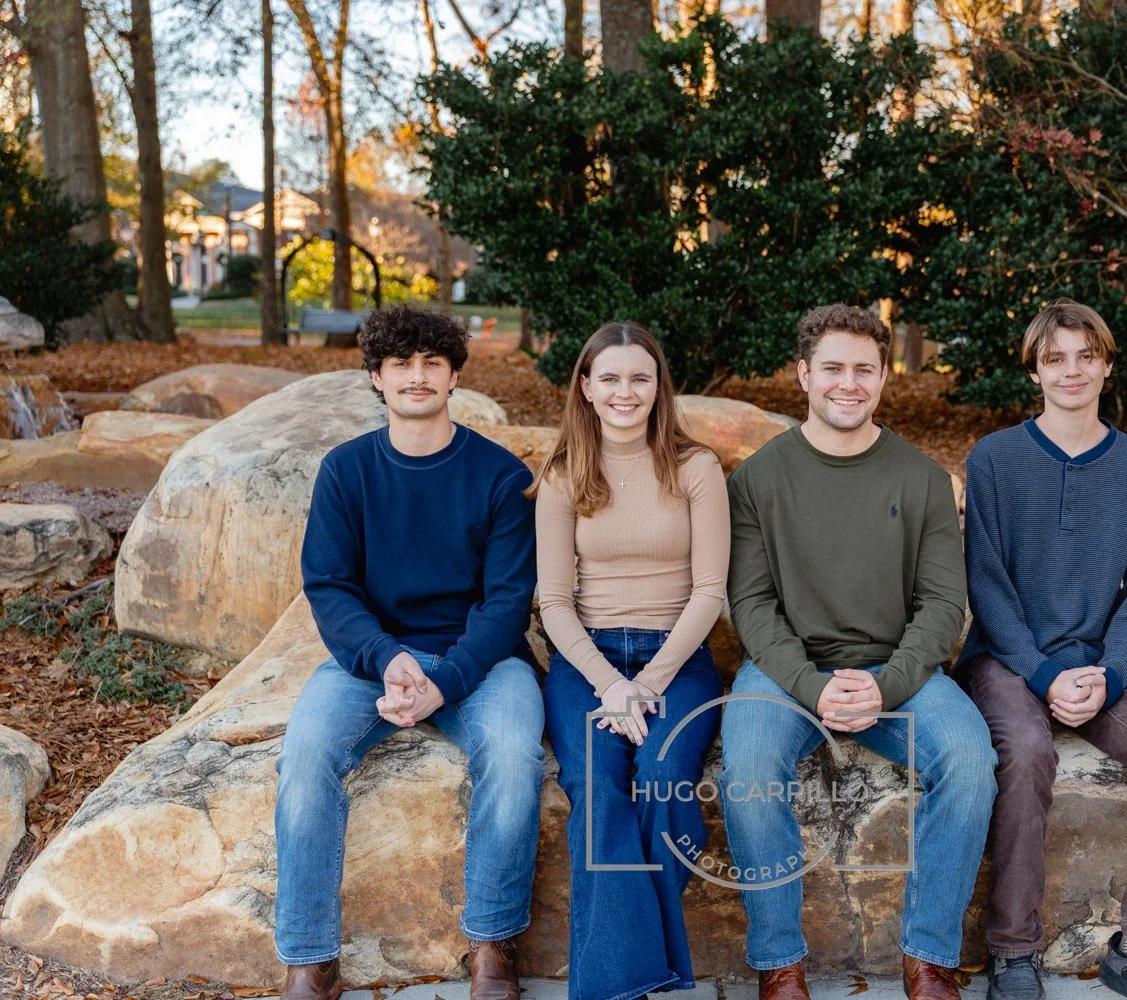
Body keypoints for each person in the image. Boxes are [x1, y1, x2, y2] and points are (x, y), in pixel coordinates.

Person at [719, 304, 998, 1000]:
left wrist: (890, 685)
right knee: (747, 768)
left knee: (970, 762)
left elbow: (942, 605)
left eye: (864, 370)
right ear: (804, 375)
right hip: (789, 673)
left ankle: (929, 957)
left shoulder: (922, 478)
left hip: (897, 671)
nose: (849, 383)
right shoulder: (757, 479)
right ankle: (779, 964)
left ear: (883, 377)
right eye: (834, 369)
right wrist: (813, 689)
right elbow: (751, 604)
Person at [275, 304, 543, 1000]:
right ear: (376, 377)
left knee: (514, 755)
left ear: (454, 375)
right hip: (371, 661)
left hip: (480, 664)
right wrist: (386, 659)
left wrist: (444, 681)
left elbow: (507, 602)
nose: (417, 377)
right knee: (305, 753)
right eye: (401, 364)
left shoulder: (500, 477)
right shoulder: (346, 471)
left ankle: (492, 948)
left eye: (432, 363)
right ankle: (311, 958)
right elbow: (329, 586)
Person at [957, 300, 1127, 1000]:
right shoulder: (995, 460)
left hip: (1101, 663)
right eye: (1055, 358)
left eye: (1085, 356)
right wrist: (1042, 673)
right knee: (1028, 751)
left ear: (1106, 364)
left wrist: (1111, 673)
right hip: (1008, 661)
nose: (1072, 370)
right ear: (1035, 372)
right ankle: (1012, 953)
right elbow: (988, 583)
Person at [534, 322, 729, 1000]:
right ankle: (638, 978)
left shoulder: (696, 467)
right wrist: (610, 685)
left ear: (659, 387)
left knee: (663, 778)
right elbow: (553, 602)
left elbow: (710, 591)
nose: (625, 392)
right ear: (585, 388)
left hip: (677, 661)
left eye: (639, 378)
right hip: (588, 664)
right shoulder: (563, 474)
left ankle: (618, 979)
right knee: (596, 789)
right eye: (609, 378)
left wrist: (645, 684)